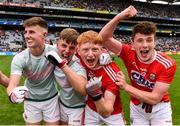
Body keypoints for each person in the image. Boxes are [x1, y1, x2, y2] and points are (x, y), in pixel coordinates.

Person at [99, 5, 176, 126]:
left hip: (160, 108)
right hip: (137, 107)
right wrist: (119, 17)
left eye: (149, 40)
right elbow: (103, 38)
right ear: (133, 44)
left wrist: (126, 87)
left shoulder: (167, 64)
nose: (145, 45)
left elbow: (155, 98)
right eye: (140, 40)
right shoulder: (128, 52)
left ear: (155, 42)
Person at [7, 17, 60, 125]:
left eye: (31, 32)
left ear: (44, 35)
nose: (27, 36)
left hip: (51, 99)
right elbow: (12, 84)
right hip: (31, 101)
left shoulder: (55, 52)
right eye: (26, 32)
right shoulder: (20, 58)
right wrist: (12, 95)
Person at [77, 30, 125, 125]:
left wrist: (96, 93)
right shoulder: (78, 58)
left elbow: (107, 111)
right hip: (91, 109)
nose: (90, 54)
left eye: (95, 49)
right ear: (78, 51)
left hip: (113, 114)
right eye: (85, 50)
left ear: (101, 50)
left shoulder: (112, 72)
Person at [45, 28, 87, 125]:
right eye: (64, 45)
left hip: (77, 107)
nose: (67, 51)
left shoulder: (78, 64)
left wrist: (62, 65)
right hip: (62, 104)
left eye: (72, 48)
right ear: (57, 44)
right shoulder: (52, 54)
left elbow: (83, 90)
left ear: (76, 48)